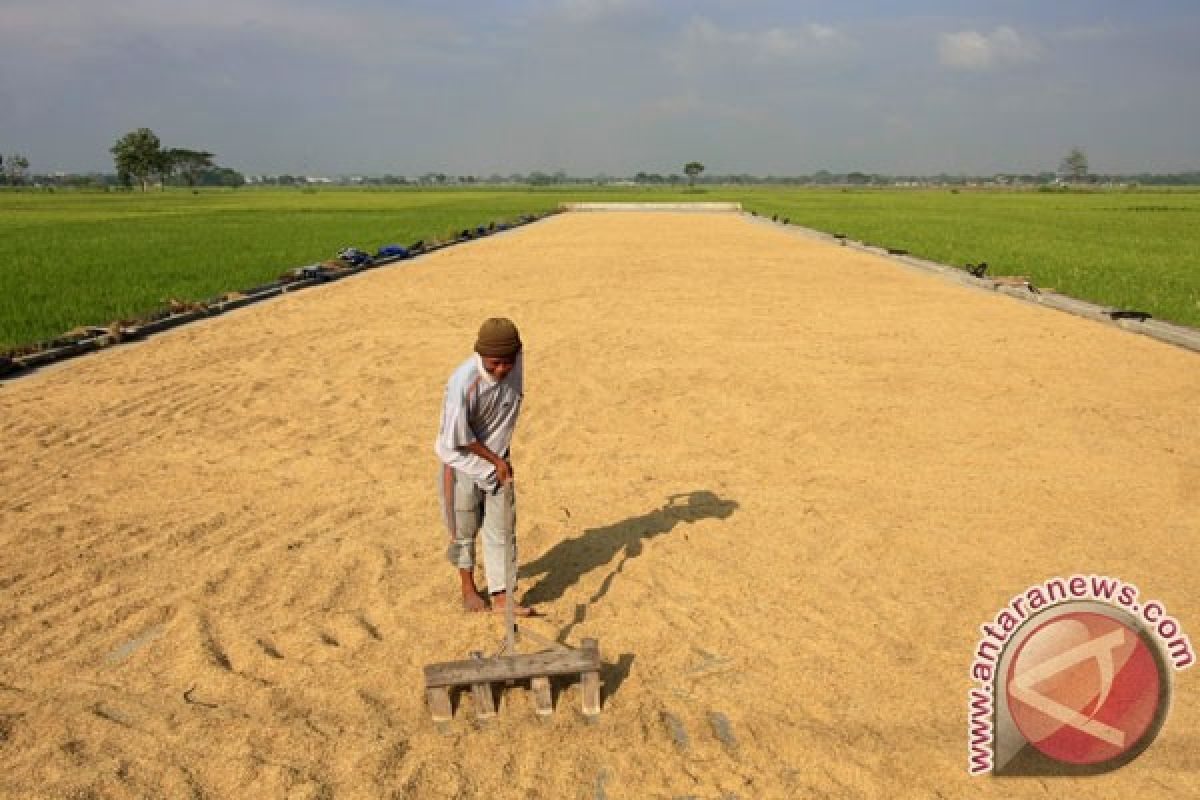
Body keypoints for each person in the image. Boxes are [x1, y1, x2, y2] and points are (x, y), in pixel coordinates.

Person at [435, 318, 536, 615]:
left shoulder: (515, 361)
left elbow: (513, 350)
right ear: (480, 356)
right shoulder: (463, 384)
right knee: (463, 528)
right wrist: (496, 461)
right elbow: (459, 439)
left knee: (502, 528)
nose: (502, 370)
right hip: (462, 461)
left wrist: (500, 461)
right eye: (494, 364)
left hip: (498, 459)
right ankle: (468, 588)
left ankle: (502, 595)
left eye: (508, 362)